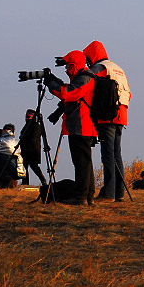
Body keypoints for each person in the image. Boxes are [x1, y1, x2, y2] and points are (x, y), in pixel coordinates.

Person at [45, 50, 97, 205]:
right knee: (85, 162)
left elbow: (68, 94)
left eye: (68, 65)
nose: (67, 69)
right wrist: (55, 81)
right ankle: (88, 196)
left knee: (81, 162)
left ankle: (81, 197)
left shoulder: (85, 79)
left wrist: (51, 84)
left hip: (81, 125)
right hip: (82, 125)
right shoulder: (85, 77)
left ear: (75, 65)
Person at [83, 40, 131, 203]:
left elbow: (86, 85)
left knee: (108, 155)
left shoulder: (100, 68)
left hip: (107, 116)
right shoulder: (118, 68)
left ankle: (108, 193)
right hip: (121, 116)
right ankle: (120, 193)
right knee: (117, 154)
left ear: (92, 55)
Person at [19, 109, 48, 186]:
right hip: (25, 149)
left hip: (33, 150)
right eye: (26, 116)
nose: (27, 118)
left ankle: (43, 180)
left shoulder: (36, 126)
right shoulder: (26, 126)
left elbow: (34, 138)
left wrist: (24, 140)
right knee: (24, 167)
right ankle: (25, 183)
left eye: (28, 117)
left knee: (34, 166)